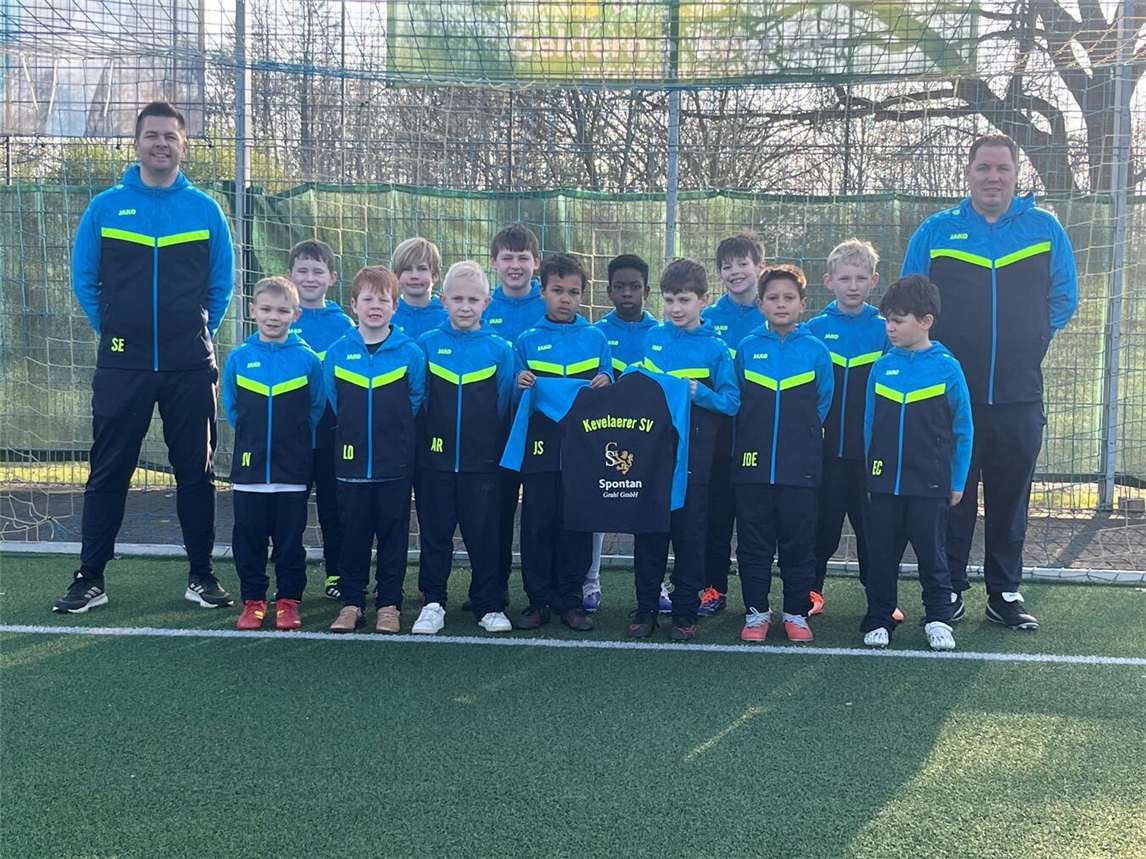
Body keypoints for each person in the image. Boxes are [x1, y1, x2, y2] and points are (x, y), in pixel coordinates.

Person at [55, 101, 235, 613]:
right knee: (108, 470)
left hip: (188, 365)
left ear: (183, 145)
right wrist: (116, 331)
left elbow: (220, 285)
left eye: (170, 136)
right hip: (122, 363)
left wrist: (194, 332)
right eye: (151, 135)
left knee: (195, 473)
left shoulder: (204, 210)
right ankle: (90, 577)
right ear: (136, 143)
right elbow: (85, 281)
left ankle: (201, 574)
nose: (161, 143)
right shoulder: (106, 208)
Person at [902, 134, 1079, 630]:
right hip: (950, 400)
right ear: (969, 172)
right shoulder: (937, 230)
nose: (993, 177)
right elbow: (908, 298)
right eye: (984, 167)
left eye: (1002, 168)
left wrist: (1033, 341)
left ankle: (1004, 593)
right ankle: (948, 590)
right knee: (952, 495)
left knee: (1010, 499)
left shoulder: (1045, 229)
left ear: (1016, 174)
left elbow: (1064, 298)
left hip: (1020, 396)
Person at [628, 258, 740, 641]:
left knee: (691, 538)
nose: (676, 308)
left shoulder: (716, 349)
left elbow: (731, 401)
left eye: (684, 300)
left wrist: (699, 392)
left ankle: (685, 614)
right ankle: (645, 610)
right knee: (649, 536)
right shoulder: (652, 338)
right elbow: (636, 383)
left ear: (704, 300)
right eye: (670, 300)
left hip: (697, 463)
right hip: (653, 460)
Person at [861, 275, 973, 651]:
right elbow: (869, 425)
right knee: (881, 556)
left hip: (931, 483)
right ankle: (879, 618)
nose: (890, 327)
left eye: (899, 319)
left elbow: (963, 428)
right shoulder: (882, 367)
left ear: (926, 321)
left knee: (933, 554)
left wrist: (957, 481)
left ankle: (939, 617)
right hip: (884, 484)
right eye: (888, 320)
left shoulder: (947, 368)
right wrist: (870, 471)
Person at [731, 265, 833, 642]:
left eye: (789, 297)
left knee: (798, 544)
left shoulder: (816, 351)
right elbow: (739, 400)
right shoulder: (747, 348)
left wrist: (800, 439)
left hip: (800, 468)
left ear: (803, 304)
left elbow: (823, 403)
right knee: (754, 544)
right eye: (772, 297)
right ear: (760, 304)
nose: (781, 303)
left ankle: (795, 612)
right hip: (752, 469)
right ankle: (757, 613)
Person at [413, 261, 515, 634]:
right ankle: (434, 602)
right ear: (444, 300)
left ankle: (487, 604)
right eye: (457, 298)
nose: (465, 306)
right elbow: (419, 400)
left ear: (487, 302)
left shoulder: (500, 350)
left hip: (483, 464)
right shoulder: (426, 345)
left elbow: (504, 401)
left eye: (473, 299)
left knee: (484, 537)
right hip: (435, 464)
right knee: (435, 536)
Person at [511, 252, 611, 632]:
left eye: (573, 292)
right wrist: (519, 387)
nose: (565, 298)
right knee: (537, 523)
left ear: (582, 295)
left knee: (577, 524)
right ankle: (537, 602)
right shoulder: (527, 340)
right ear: (543, 292)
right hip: (540, 448)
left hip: (583, 451)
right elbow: (512, 398)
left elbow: (608, 392)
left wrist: (606, 382)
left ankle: (571, 601)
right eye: (557, 290)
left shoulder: (596, 338)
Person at [323, 266, 426, 633]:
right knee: (353, 536)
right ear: (353, 305)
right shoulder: (336, 353)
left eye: (384, 299)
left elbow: (415, 398)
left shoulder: (410, 353)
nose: (375, 305)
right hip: (350, 465)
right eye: (367, 298)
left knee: (393, 536)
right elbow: (333, 401)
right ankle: (352, 603)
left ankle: (389, 605)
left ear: (395, 306)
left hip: (394, 464)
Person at [222, 277, 325, 630]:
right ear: (253, 311)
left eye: (282, 310)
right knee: (248, 538)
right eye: (266, 309)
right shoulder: (239, 358)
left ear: (295, 314)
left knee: (289, 542)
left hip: (292, 469)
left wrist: (291, 443)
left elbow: (316, 408)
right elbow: (234, 410)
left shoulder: (308, 360)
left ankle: (288, 601)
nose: (273, 317)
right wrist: (255, 443)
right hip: (250, 471)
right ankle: (253, 600)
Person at [804, 239, 887, 616]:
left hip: (870, 455)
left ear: (874, 280)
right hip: (826, 452)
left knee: (873, 531)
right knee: (822, 529)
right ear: (829, 281)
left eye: (860, 278)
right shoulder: (815, 329)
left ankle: (880, 596)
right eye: (844, 278)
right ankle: (810, 592)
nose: (852, 286)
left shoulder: (886, 329)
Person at [583, 253, 658, 612]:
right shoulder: (596, 333)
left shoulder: (660, 334)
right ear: (609, 291)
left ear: (646, 290)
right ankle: (590, 580)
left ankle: (654, 586)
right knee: (598, 503)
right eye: (619, 287)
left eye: (634, 287)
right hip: (605, 436)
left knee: (648, 508)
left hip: (648, 438)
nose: (627, 293)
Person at [698, 232, 767, 616]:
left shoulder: (772, 313)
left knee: (757, 518)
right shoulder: (708, 320)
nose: (735, 271)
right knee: (716, 514)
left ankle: (761, 595)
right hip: (719, 436)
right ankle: (713, 588)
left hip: (760, 435)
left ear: (760, 267)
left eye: (743, 263)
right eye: (727, 265)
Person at [482, 224, 547, 611]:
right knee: (498, 510)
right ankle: (496, 584)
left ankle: (549, 589)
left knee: (541, 512)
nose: (516, 265)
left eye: (523, 258)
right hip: (495, 429)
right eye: (507, 257)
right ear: (494, 263)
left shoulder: (550, 304)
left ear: (536, 263)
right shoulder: (483, 305)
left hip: (542, 429)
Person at [287, 238, 353, 600]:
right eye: (302, 271)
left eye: (317, 271)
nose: (309, 278)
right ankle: (289, 582)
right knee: (290, 513)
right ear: (290, 275)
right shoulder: (281, 318)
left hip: (331, 436)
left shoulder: (343, 324)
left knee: (333, 508)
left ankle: (336, 575)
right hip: (291, 438)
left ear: (331, 276)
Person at [391, 237, 449, 341]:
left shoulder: (448, 318)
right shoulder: (388, 316)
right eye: (407, 269)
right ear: (396, 276)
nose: (414, 276)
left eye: (422, 269)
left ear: (435, 275)